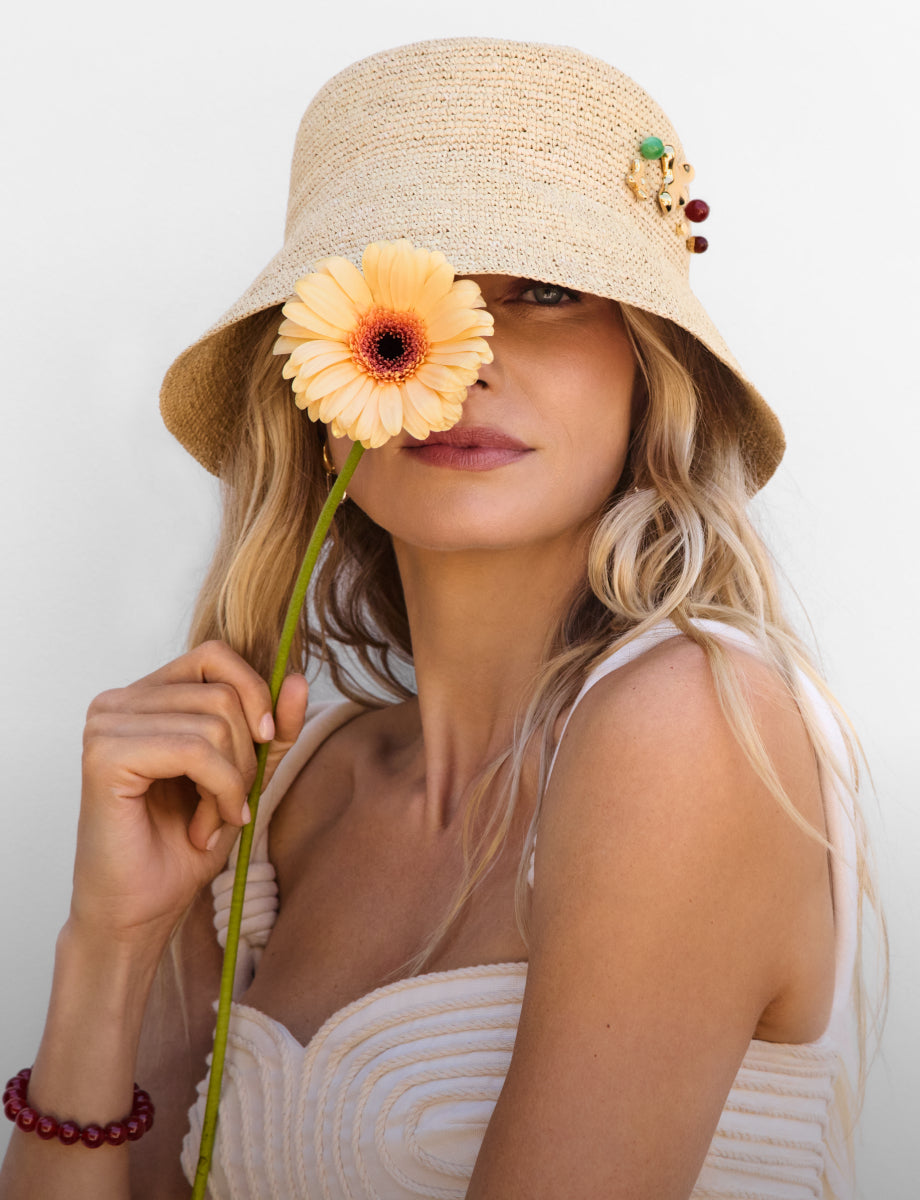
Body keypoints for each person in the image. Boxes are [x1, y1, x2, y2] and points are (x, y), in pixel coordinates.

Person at [0, 35, 877, 1200]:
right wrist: (107, 948)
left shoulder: (687, 723)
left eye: (548, 292)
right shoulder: (278, 787)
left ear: (646, 369)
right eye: (401, 308)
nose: (463, 359)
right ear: (312, 390)